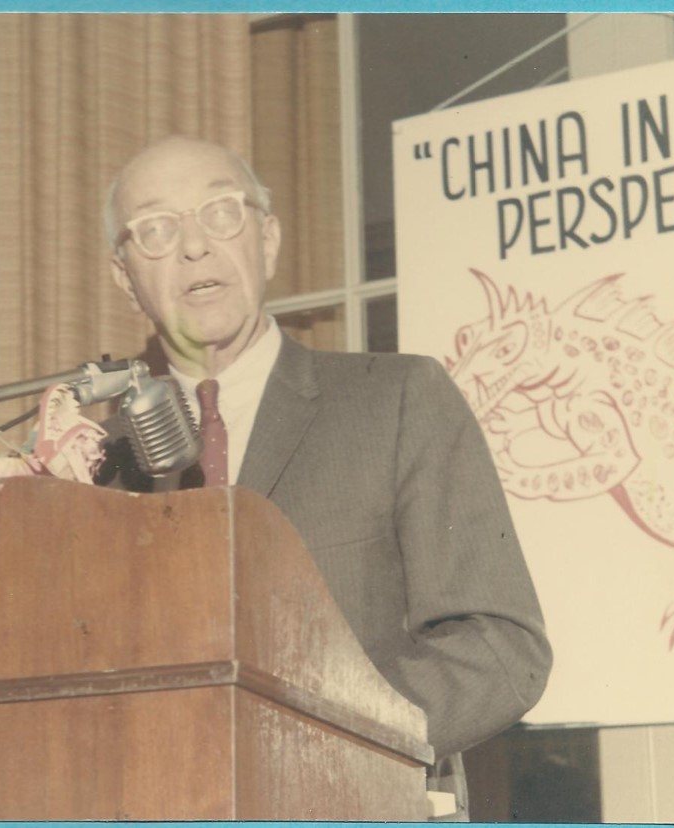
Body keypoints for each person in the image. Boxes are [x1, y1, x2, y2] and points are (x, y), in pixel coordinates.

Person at [95, 134, 552, 818]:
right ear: (124, 277)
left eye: (221, 212)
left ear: (269, 241)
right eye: (156, 230)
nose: (193, 247)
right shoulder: (95, 460)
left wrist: (308, 739)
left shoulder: (396, 399)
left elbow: (498, 646)